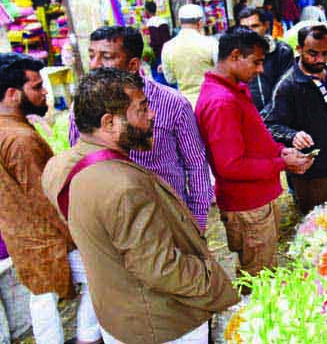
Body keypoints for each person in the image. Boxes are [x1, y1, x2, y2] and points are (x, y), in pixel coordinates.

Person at [43, 68, 238, 344]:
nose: (152, 116)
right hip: (162, 325)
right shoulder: (123, 185)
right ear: (109, 122)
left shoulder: (58, 166)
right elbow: (160, 268)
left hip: (117, 316)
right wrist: (213, 281)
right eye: (142, 109)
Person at [69, 26, 214, 231]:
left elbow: (196, 163)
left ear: (133, 64)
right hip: (117, 224)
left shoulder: (172, 103)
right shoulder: (80, 108)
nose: (94, 65)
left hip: (170, 219)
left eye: (106, 57)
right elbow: (79, 161)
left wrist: (196, 221)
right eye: (91, 55)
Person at [195, 26, 312, 279]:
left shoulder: (232, 89)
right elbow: (230, 166)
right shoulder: (221, 102)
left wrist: (282, 153)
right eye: (257, 62)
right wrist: (282, 164)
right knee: (258, 277)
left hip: (256, 201)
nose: (261, 70)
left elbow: (253, 140)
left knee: (263, 266)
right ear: (235, 55)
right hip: (248, 206)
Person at [0, 53, 101, 344]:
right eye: (36, 86)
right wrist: (81, 232)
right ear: (12, 94)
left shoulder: (13, 130)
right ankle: (88, 335)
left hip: (24, 237)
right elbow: (45, 197)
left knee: (41, 298)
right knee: (102, 274)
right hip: (48, 237)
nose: (45, 92)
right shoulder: (19, 138)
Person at [265, 25, 327, 212]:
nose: (320, 59)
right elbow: (270, 125)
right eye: (312, 53)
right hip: (311, 169)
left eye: (325, 53)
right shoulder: (288, 85)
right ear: (299, 49)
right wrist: (292, 135)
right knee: (320, 223)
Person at [238, 7, 295, 112]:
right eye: (245, 28)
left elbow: (284, 90)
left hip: (279, 116)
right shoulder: (235, 55)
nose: (250, 31)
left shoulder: (281, 51)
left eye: (255, 26)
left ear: (266, 26)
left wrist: (265, 118)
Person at [161, 4, 218, 106]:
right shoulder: (211, 43)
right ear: (200, 23)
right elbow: (220, 71)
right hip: (211, 101)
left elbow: (170, 79)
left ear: (180, 22)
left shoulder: (167, 47)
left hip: (186, 105)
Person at [144, 1, 172, 86]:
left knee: (158, 78)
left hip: (155, 55)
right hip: (166, 52)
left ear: (147, 11)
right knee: (167, 76)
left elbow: (150, 42)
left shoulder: (148, 24)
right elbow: (167, 38)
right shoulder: (163, 21)